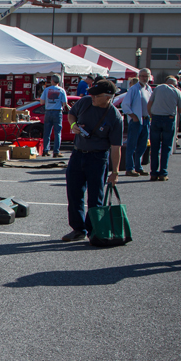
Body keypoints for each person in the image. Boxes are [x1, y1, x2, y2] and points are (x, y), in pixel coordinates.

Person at [61, 79, 123, 242]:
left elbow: (116, 147)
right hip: (77, 154)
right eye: (91, 93)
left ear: (108, 96)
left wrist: (115, 172)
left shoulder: (115, 117)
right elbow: (72, 113)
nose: (92, 96)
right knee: (74, 193)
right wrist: (73, 124)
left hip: (98, 157)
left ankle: (94, 229)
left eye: (96, 95)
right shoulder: (86, 102)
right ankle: (78, 229)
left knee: (95, 196)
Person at [146, 76, 181, 181]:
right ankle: (163, 172)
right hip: (169, 119)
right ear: (175, 84)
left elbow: (149, 104)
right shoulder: (177, 91)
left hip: (156, 118)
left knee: (154, 146)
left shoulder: (158, 88)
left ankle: (153, 173)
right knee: (166, 147)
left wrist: (151, 115)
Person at [120, 68, 152, 176]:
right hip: (136, 121)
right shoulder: (134, 89)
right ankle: (129, 168)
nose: (144, 78)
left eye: (146, 76)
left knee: (142, 145)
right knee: (132, 145)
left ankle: (138, 166)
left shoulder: (148, 89)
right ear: (139, 77)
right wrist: (133, 117)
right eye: (142, 76)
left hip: (146, 120)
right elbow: (125, 105)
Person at [38, 75, 69, 158]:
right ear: (58, 81)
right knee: (57, 132)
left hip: (48, 112)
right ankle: (56, 151)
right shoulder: (61, 90)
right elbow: (64, 103)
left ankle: (45, 150)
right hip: (57, 112)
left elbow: (41, 102)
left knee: (47, 132)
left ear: (52, 81)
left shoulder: (47, 90)